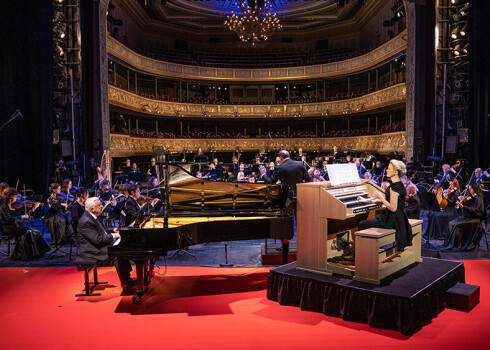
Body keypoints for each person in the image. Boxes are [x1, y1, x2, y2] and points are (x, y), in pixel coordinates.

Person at [358, 159, 413, 252]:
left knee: (362, 224)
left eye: (389, 169)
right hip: (399, 218)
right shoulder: (399, 185)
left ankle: (366, 252)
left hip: (391, 221)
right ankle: (374, 249)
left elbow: (393, 207)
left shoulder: (394, 188)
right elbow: (387, 202)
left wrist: (381, 197)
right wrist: (366, 200)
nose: (386, 170)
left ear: (396, 172)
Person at [0, 187, 50, 260]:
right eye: (15, 196)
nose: (17, 198)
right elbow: (9, 219)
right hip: (9, 228)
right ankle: (22, 254)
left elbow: (27, 215)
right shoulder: (3, 207)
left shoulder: (16, 206)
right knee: (29, 232)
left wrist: (33, 208)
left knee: (36, 232)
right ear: (10, 197)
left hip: (18, 226)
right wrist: (21, 216)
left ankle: (38, 252)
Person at [76, 197, 120, 264]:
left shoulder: (91, 216)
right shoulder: (86, 222)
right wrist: (114, 235)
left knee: (121, 250)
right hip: (92, 251)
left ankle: (126, 274)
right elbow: (98, 239)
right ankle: (125, 274)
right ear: (92, 209)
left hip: (97, 247)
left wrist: (114, 230)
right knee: (119, 252)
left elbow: (102, 230)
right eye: (99, 205)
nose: (102, 206)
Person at [444, 183, 484, 251]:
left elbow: (473, 210)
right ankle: (449, 243)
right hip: (468, 217)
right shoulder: (472, 197)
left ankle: (457, 245)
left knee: (457, 226)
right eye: (469, 189)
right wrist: (462, 202)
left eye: (470, 189)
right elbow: (468, 206)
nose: (469, 191)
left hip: (475, 220)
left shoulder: (478, 199)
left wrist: (463, 206)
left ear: (474, 189)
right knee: (451, 223)